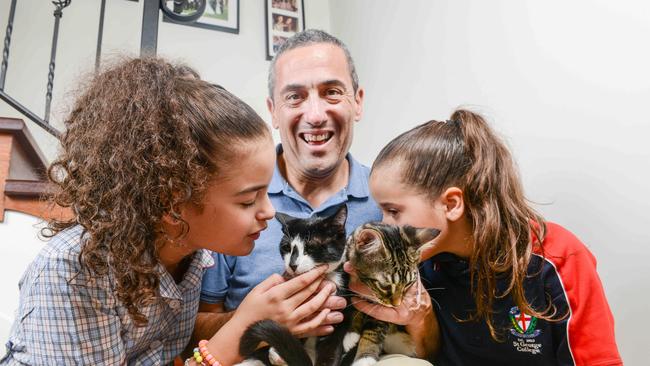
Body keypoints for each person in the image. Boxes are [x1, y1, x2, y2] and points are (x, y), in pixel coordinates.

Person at [0, 57, 335, 365]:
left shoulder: (190, 255)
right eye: (248, 200)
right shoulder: (72, 274)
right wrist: (236, 336)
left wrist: (259, 318)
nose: (269, 211)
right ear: (172, 204)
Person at [346, 109, 623, 365]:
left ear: (452, 204)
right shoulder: (418, 266)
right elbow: (430, 356)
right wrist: (419, 319)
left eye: (393, 211)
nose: (385, 225)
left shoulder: (558, 257)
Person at [195, 29, 383, 351]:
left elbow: (426, 332)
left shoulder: (388, 201)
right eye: (294, 97)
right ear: (273, 112)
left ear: (358, 103)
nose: (315, 115)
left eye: (332, 92)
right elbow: (190, 331)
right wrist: (257, 321)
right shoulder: (234, 199)